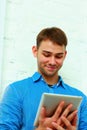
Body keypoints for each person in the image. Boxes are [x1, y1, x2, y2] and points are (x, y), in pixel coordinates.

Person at [0, 27, 87, 130]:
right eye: (47, 55)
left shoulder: (81, 98)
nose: (52, 62)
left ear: (65, 55)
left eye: (58, 56)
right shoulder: (16, 91)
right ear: (35, 51)